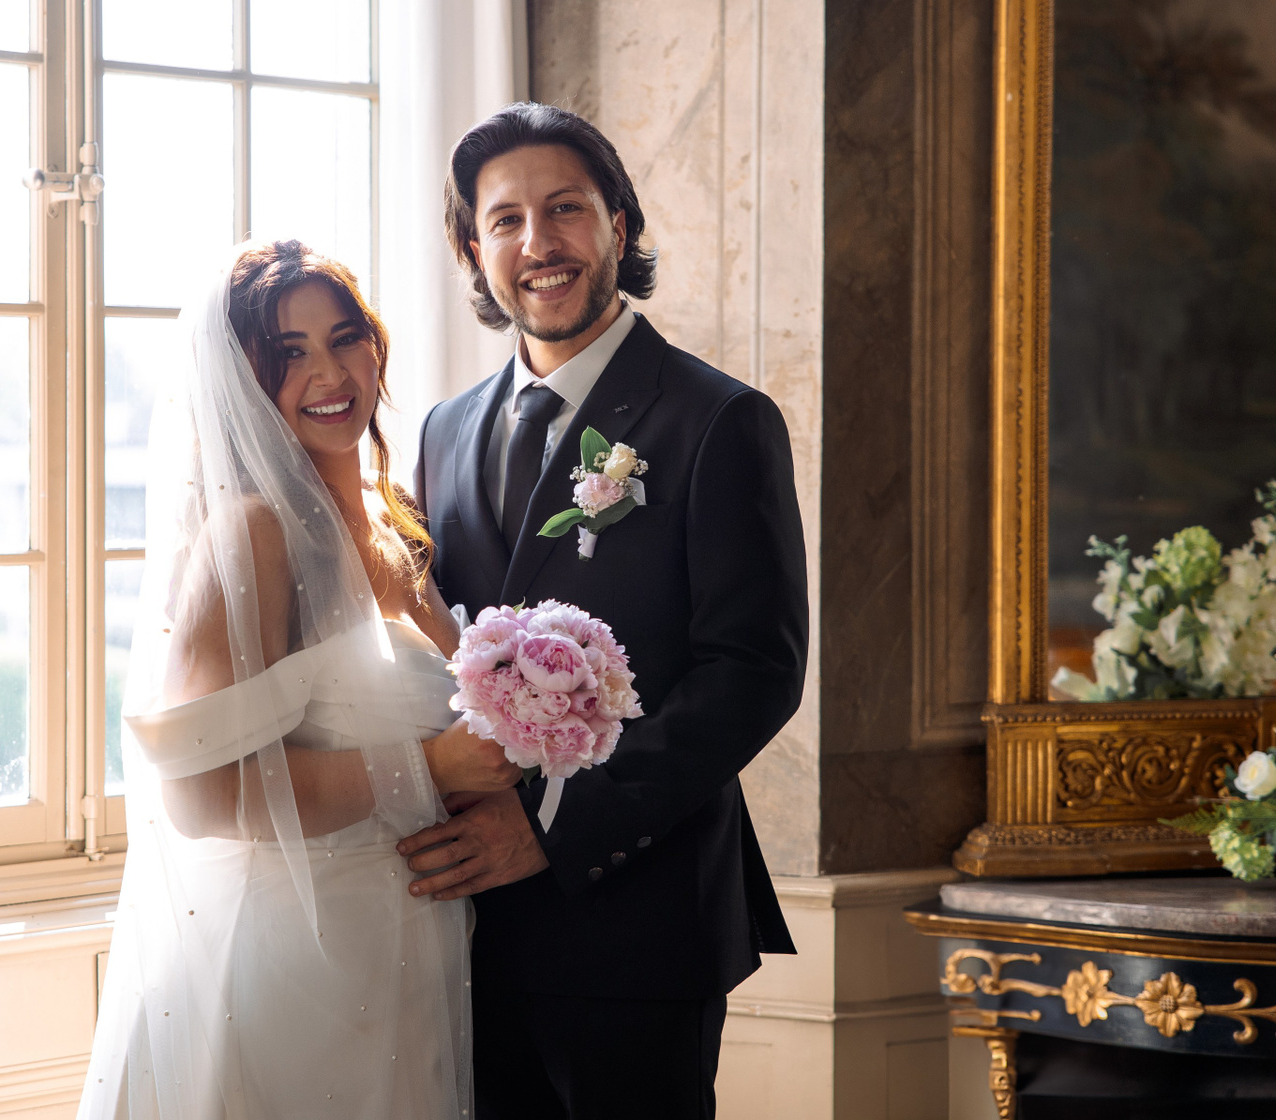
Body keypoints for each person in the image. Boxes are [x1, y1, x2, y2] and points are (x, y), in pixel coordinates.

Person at [401, 103, 808, 1119]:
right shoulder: (444, 431)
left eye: (566, 209)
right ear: (474, 250)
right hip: (468, 932)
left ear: (619, 225)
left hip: (641, 926)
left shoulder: (720, 420)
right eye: (505, 220)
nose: (538, 243)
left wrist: (554, 828)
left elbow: (752, 674)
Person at [77, 240, 517, 1120]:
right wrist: (429, 767)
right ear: (243, 380)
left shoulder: (395, 518)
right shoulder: (253, 535)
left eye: (345, 336)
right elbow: (199, 796)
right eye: (290, 352)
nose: (330, 372)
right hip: (293, 968)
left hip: (409, 949)